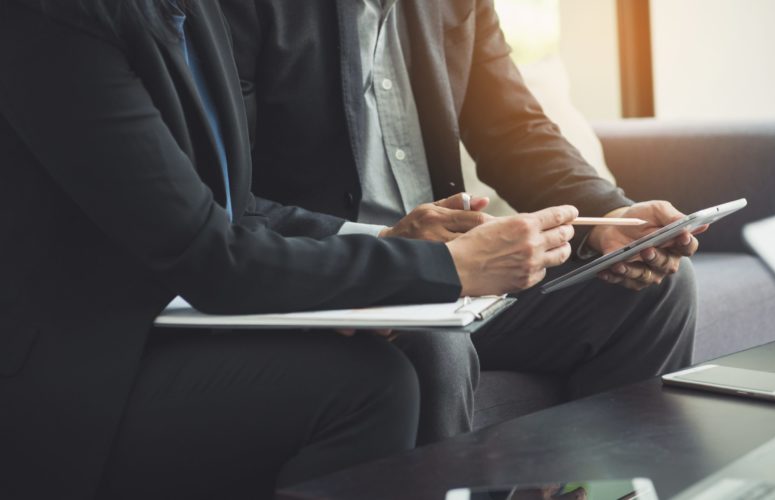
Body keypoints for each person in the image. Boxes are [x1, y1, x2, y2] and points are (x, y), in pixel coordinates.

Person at [0, 0, 580, 498]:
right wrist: (443, 269)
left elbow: (235, 206)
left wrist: (388, 252)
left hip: (168, 317)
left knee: (386, 372)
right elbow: (207, 255)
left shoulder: (190, 12)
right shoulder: (54, 23)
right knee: (371, 387)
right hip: (81, 362)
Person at [218, 0, 701, 445]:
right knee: (433, 344)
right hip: (330, 275)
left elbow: (512, 128)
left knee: (654, 291)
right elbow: (223, 201)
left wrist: (608, 216)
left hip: (458, 273)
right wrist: (392, 251)